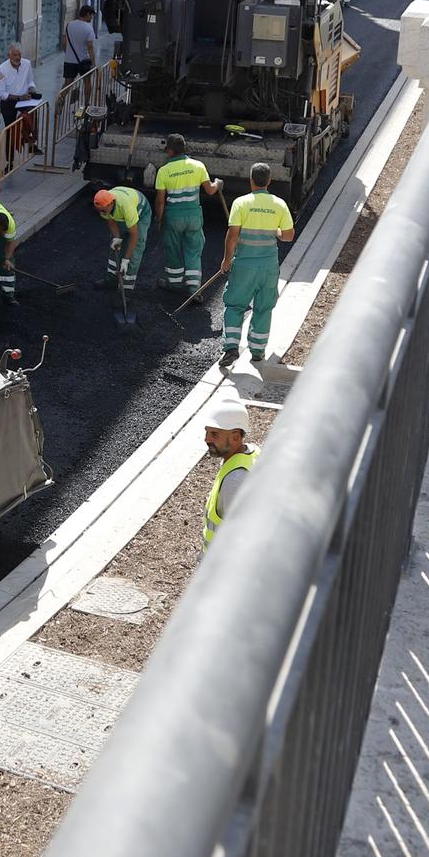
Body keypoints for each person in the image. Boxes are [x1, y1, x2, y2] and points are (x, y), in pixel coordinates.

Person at [217, 162, 295, 367]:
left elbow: (232, 236)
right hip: (269, 266)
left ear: (251, 179)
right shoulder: (279, 204)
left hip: (244, 265)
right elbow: (288, 236)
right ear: (269, 181)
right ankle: (258, 351)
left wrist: (226, 260)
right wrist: (275, 231)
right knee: (264, 308)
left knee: (235, 305)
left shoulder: (241, 203)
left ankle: (231, 348)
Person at [155, 134, 221, 291]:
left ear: (170, 151)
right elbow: (210, 190)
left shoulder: (164, 171)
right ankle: (193, 288)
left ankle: (175, 283)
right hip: (193, 216)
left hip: (173, 217)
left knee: (173, 249)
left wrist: (159, 220)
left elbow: (160, 202)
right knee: (193, 250)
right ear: (184, 149)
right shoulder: (198, 166)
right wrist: (218, 183)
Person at [200, 395, 258, 548]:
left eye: (214, 434)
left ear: (235, 437)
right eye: (207, 432)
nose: (206, 439)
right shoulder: (251, 453)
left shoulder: (234, 481)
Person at [92, 183, 149, 291]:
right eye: (99, 210)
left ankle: (126, 289)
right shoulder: (103, 206)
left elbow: (134, 235)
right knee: (115, 248)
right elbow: (110, 220)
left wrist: (126, 260)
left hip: (140, 213)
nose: (101, 213)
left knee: (134, 251)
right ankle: (112, 280)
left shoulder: (126, 207)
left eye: (103, 210)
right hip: (121, 213)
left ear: (111, 204)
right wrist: (117, 238)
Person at [0, 44, 40, 156]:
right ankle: (9, 161)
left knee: (33, 113)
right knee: (9, 131)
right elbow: (1, 93)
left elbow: (30, 81)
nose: (17, 57)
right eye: (14, 55)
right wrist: (19, 97)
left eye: (19, 55)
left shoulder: (27, 64)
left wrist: (32, 89)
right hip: (9, 102)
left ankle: (30, 142)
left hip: (24, 100)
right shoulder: (2, 68)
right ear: (9, 56)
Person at [62, 4, 97, 85]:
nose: (92, 17)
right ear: (87, 14)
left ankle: (61, 98)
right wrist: (93, 63)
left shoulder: (69, 25)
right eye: (91, 15)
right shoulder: (89, 28)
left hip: (69, 60)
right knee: (87, 82)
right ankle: (87, 98)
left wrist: (68, 53)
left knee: (67, 83)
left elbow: (64, 41)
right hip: (84, 61)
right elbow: (90, 47)